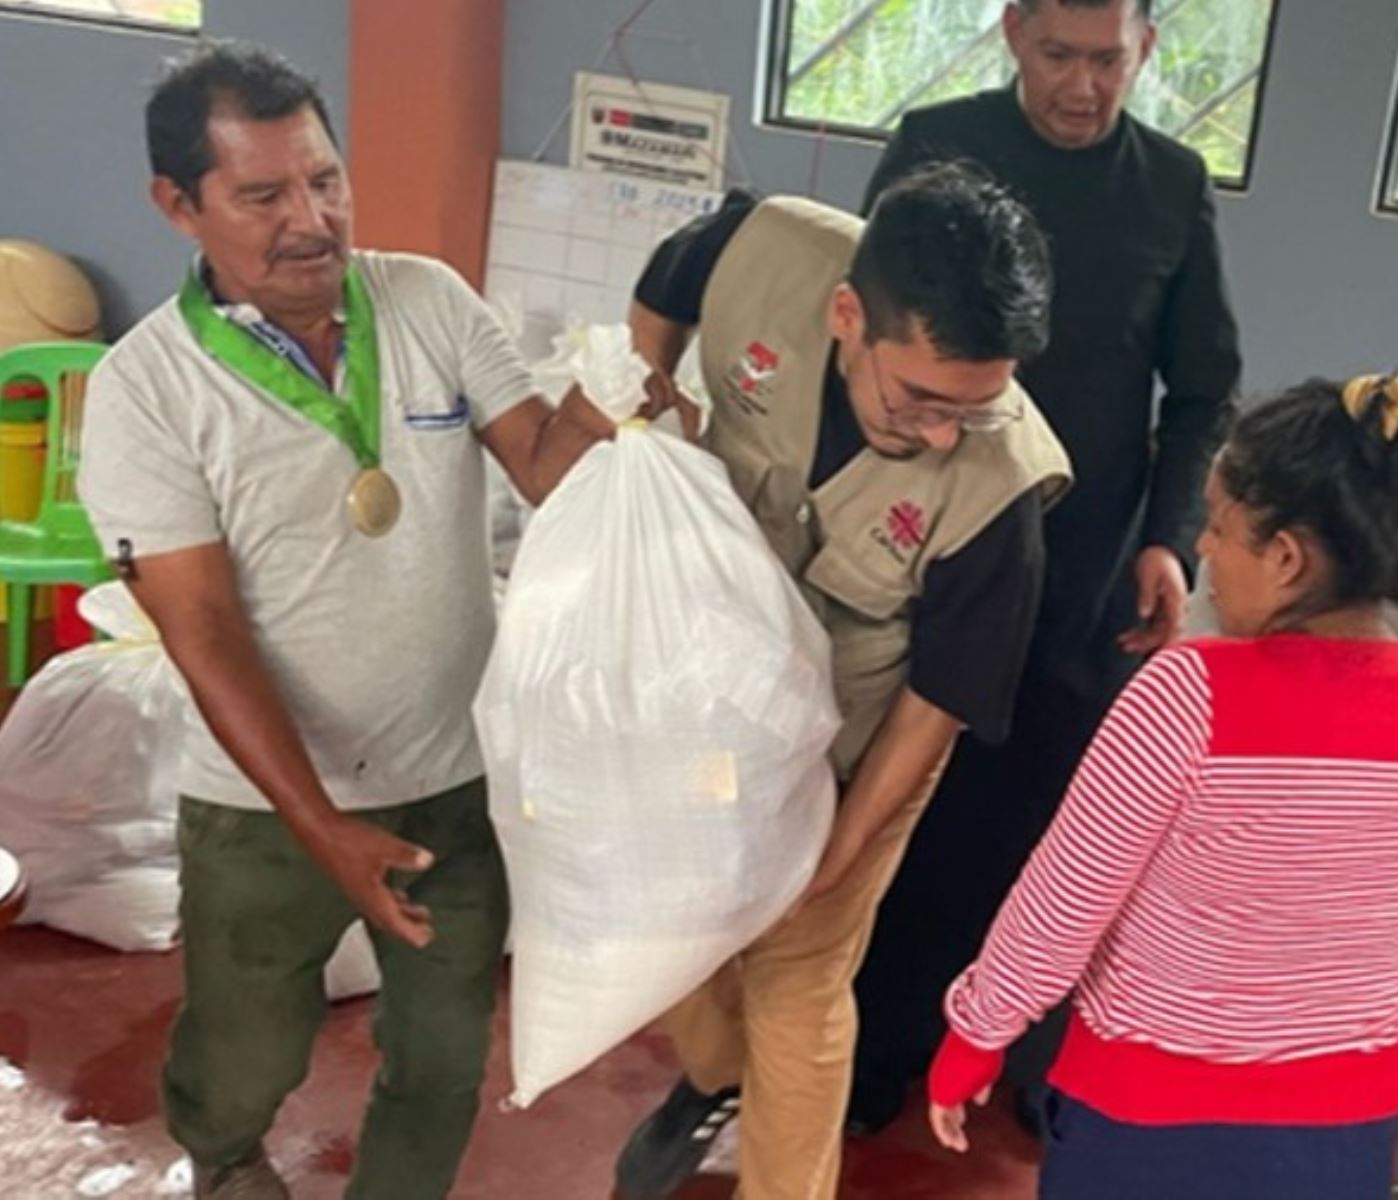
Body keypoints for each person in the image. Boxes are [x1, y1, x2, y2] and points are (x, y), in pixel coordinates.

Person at [77, 43, 617, 1200]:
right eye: (263, 195)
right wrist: (321, 823)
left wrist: (618, 410)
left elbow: (542, 466)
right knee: (246, 1057)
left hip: (453, 779)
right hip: (263, 812)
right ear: (179, 205)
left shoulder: (426, 300)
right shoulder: (147, 390)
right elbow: (202, 629)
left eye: (326, 179)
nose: (311, 219)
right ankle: (224, 1164)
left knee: (443, 1054)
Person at [925, 375, 1398, 1198]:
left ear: (1287, 555)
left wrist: (978, 1031)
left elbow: (1067, 897)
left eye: (1220, 529)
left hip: (1141, 1126)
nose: (1203, 551)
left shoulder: (1186, 692)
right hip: (1344, 1133)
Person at [612, 163, 1071, 1200]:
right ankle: (715, 1078)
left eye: (974, 407)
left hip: (852, 731)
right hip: (702, 669)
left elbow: (937, 707)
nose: (944, 433)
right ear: (850, 316)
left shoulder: (1003, 493)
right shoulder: (760, 246)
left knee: (798, 981)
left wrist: (838, 854)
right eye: (919, 397)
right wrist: (647, 408)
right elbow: (660, 295)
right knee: (673, 914)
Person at [849, 0, 1242, 1128]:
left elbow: (1204, 386)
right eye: (1060, 56)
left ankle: (1029, 1062)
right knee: (907, 808)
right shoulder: (936, 143)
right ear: (1014, 32)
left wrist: (1171, 533)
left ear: (1147, 49)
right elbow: (862, 336)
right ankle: (879, 1061)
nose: (1083, 86)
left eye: (1108, 61)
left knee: (1060, 827)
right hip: (929, 548)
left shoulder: (1170, 183)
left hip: (1091, 568)